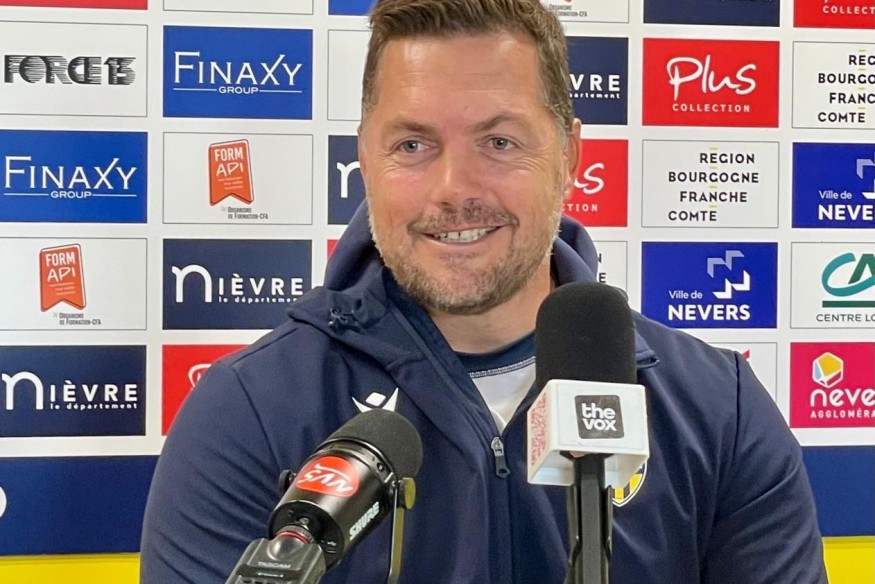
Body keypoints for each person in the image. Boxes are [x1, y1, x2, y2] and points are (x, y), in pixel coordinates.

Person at [140, 1, 828, 582]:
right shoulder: (249, 412)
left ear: (570, 156)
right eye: (412, 145)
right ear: (365, 160)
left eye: (498, 142)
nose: (454, 189)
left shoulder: (718, 409)